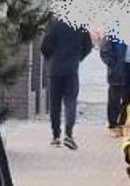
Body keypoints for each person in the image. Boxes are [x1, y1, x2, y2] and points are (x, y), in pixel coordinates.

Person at [39, 19, 93, 149]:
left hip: (55, 69)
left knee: (55, 104)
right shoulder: (80, 25)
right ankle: (69, 134)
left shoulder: (54, 24)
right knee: (71, 102)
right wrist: (78, 57)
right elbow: (88, 46)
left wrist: (51, 57)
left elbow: (44, 46)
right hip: (72, 69)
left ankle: (56, 136)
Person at [98, 34, 130, 135]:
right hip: (118, 69)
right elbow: (104, 51)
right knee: (114, 98)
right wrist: (113, 64)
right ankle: (113, 125)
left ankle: (123, 124)